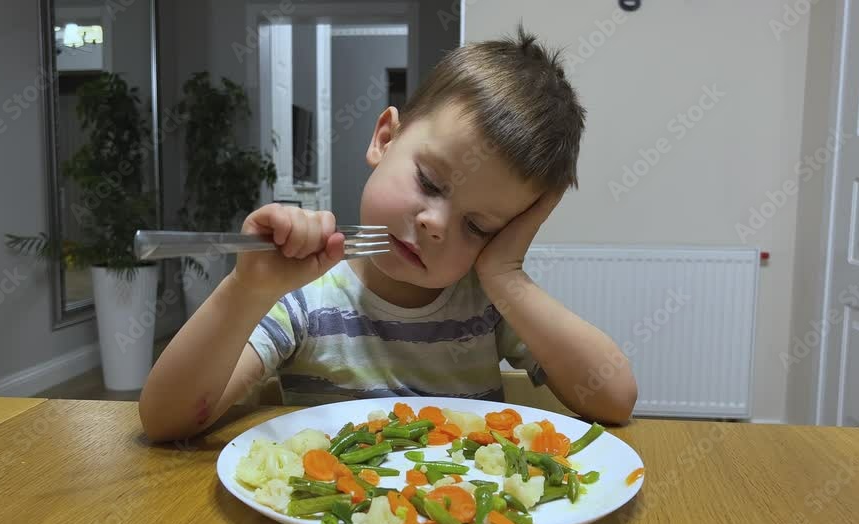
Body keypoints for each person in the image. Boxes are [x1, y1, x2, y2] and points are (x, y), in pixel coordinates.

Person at [140, 26, 637, 442]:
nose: (435, 224)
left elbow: (616, 400)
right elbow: (167, 420)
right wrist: (246, 290)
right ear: (385, 138)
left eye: (477, 226)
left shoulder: (486, 304)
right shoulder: (304, 297)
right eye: (430, 183)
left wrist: (506, 275)